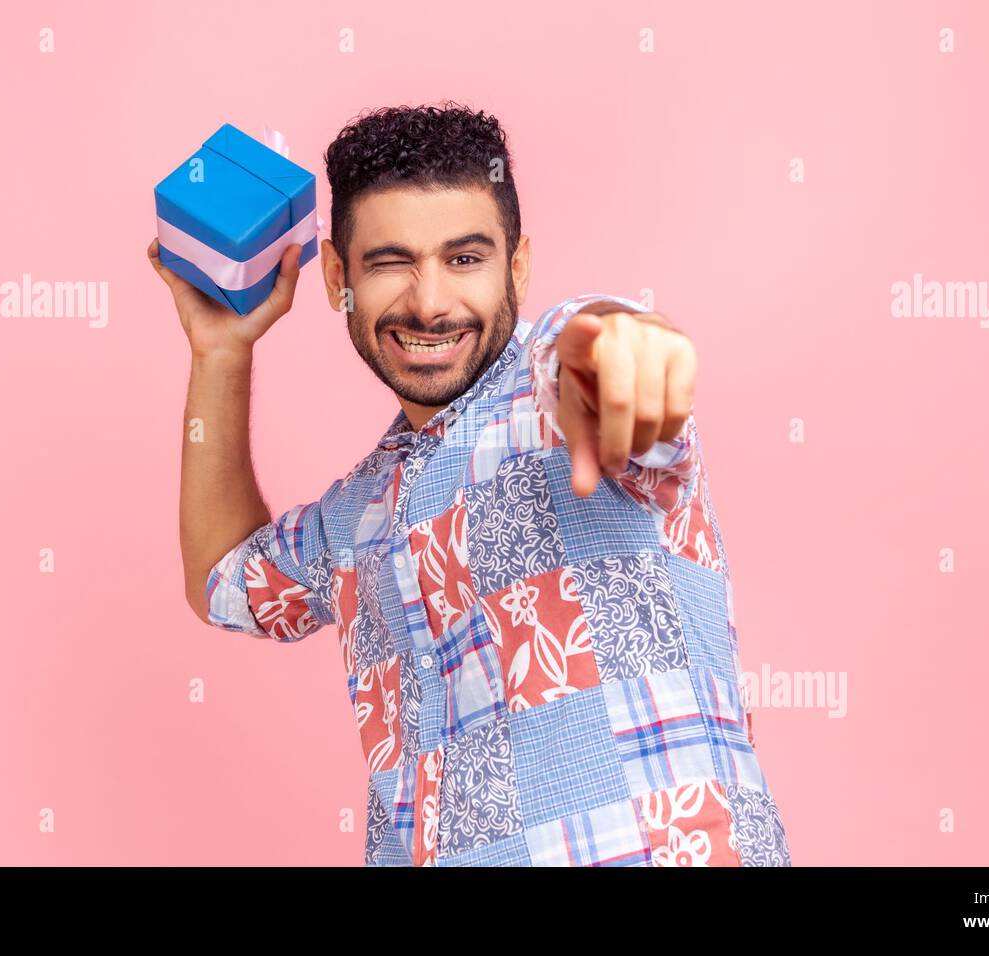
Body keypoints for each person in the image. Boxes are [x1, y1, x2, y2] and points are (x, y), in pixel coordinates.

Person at [147, 102, 791, 867]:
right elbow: (223, 580)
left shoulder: (556, 396)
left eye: (464, 258)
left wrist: (623, 354)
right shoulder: (356, 511)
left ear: (515, 267)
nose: (428, 301)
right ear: (335, 278)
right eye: (390, 262)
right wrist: (221, 354)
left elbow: (602, 347)